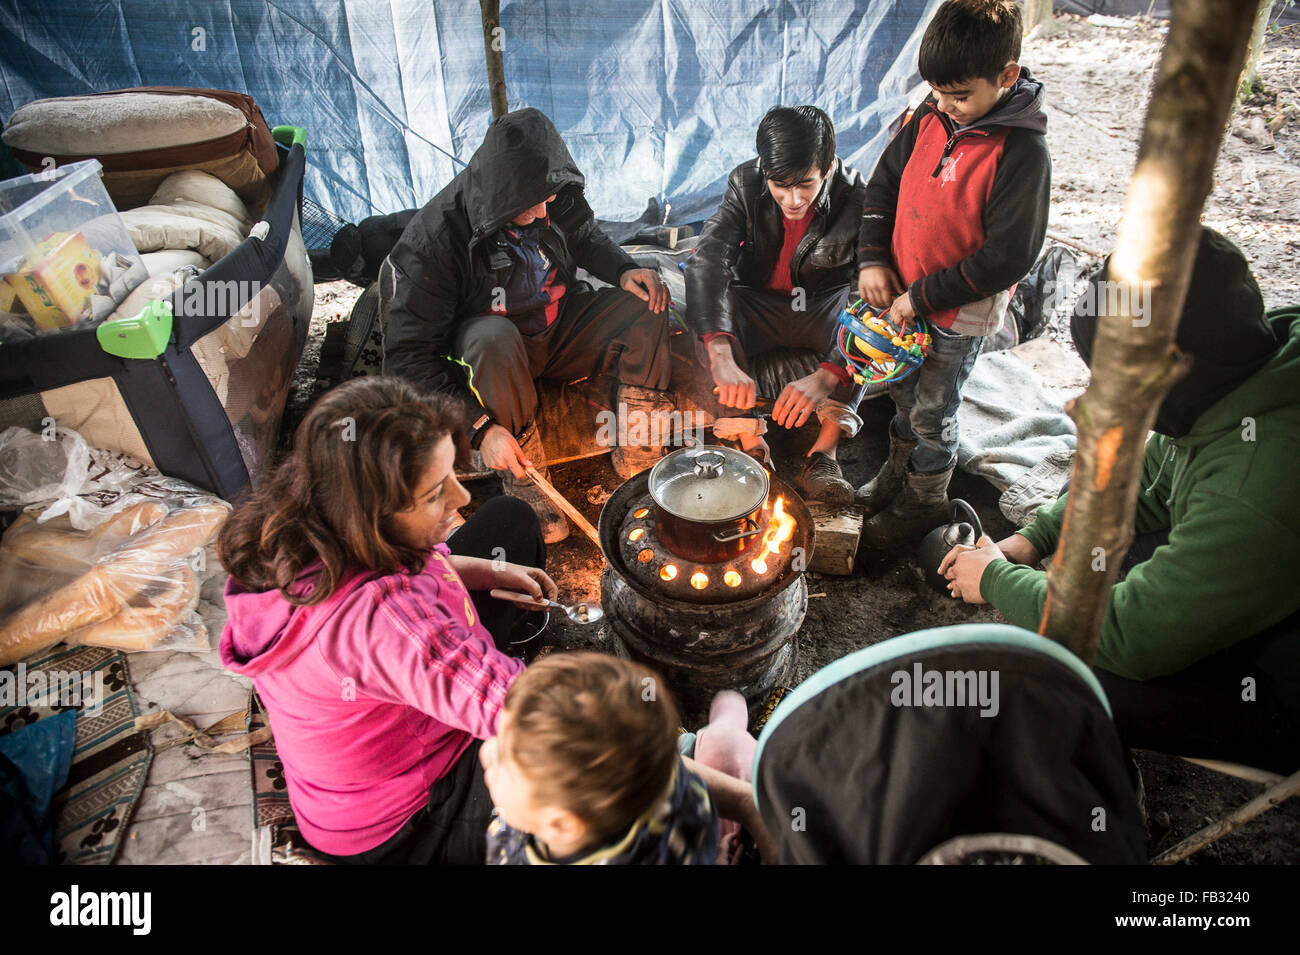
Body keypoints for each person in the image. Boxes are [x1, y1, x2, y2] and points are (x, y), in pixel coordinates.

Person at [941, 228, 1300, 774]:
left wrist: (994, 580)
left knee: (1033, 670)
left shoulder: (1256, 486)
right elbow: (1145, 475)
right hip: (1256, 584)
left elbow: (1128, 637)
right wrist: (1029, 541)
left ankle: (1095, 797)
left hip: (1279, 691)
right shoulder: (1237, 371)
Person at [218, 376, 558, 864]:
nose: (462, 499)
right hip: (406, 823)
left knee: (508, 521)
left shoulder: (312, 532)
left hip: (383, 728)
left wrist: (488, 569)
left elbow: (429, 565)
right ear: (375, 515)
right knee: (578, 795)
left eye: (454, 477)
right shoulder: (386, 620)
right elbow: (527, 715)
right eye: (437, 494)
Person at [382, 108, 674, 543]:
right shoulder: (434, 242)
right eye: (530, 203)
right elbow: (407, 358)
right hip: (494, 356)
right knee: (492, 336)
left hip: (556, 329)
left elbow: (585, 236)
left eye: (547, 198)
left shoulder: (553, 197)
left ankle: (636, 453)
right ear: (501, 196)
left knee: (647, 304)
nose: (542, 212)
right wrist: (480, 430)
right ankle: (527, 481)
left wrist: (622, 269)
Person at [855, 0, 1050, 547]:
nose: (945, 105)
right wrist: (873, 258)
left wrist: (919, 299)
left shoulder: (1023, 152)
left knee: (934, 409)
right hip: (902, 296)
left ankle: (924, 502)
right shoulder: (930, 115)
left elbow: (1008, 258)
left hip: (956, 311)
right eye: (937, 93)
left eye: (959, 95)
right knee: (899, 391)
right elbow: (883, 184)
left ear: (1007, 77)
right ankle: (895, 477)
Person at [685, 105, 868, 505]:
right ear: (763, 169)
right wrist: (719, 353)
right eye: (780, 185)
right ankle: (750, 445)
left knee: (866, 324)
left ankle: (824, 454)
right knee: (713, 314)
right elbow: (708, 259)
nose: (793, 199)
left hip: (820, 306)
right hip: (759, 303)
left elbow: (866, 291)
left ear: (828, 165)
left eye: (806, 184)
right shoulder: (745, 183)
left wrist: (827, 374)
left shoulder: (855, 195)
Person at [481, 652, 769, 865]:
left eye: (503, 756)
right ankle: (724, 729)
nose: (485, 752)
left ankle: (722, 730)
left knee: (716, 745)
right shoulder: (670, 788)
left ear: (561, 825)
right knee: (723, 747)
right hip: (704, 833)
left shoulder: (514, 854)